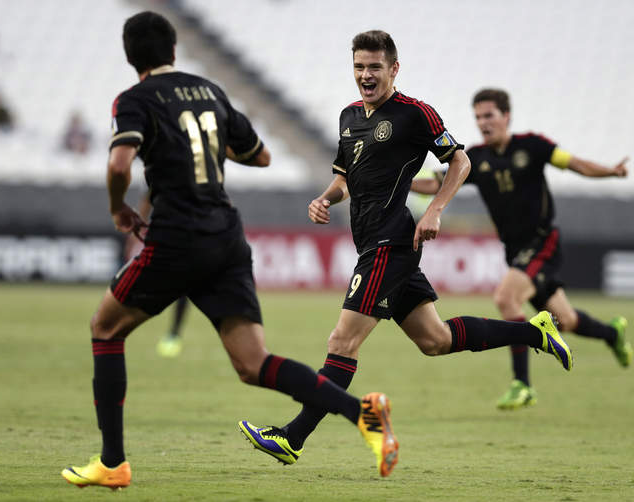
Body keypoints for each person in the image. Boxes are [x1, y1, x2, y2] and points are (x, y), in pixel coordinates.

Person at [61, 12, 400, 489]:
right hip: (226, 236)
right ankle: (361, 413)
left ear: (131, 57)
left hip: (176, 235)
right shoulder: (210, 91)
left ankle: (112, 462)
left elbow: (119, 164)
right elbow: (260, 155)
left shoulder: (134, 99)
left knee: (105, 327)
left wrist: (119, 207)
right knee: (253, 363)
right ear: (174, 50)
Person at [240, 31, 572, 468]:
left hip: (390, 243)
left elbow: (461, 161)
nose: (365, 75)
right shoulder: (348, 116)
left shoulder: (415, 114)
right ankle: (536, 332)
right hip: (371, 243)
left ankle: (292, 437)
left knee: (342, 341)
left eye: (374, 67)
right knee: (435, 340)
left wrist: (435, 209)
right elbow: (345, 178)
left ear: (394, 69)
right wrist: (325, 198)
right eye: (359, 66)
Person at [412, 88, 633, 410]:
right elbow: (435, 182)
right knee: (565, 320)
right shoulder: (477, 158)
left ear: (506, 116)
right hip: (515, 251)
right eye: (478, 117)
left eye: (489, 115)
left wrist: (611, 171)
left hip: (542, 242)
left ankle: (522, 384)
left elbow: (575, 164)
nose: (483, 123)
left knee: (506, 298)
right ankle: (613, 334)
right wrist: (397, 182)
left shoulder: (533, 146)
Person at [123, 194, 189, 357]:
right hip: (168, 236)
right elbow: (147, 198)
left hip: (190, 237)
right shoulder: (163, 182)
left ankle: (174, 333)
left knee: (184, 287)